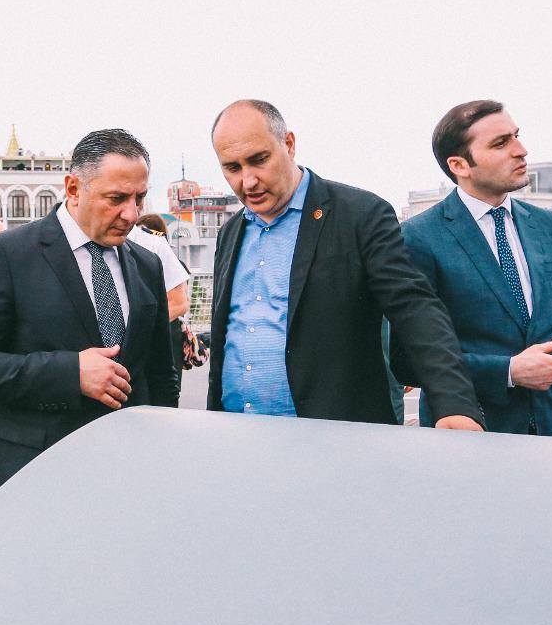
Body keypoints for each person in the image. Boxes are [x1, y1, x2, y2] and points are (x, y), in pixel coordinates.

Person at [207, 99, 483, 429]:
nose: (248, 181)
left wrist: (454, 403)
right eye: (232, 168)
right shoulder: (231, 231)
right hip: (236, 433)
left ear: (289, 144)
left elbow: (415, 309)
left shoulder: (360, 214)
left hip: (332, 438)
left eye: (259, 160)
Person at [0, 129, 178, 510]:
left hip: (126, 480)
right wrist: (71, 373)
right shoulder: (7, 254)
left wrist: (163, 452)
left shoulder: (147, 264)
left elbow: (159, 374)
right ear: (73, 189)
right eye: (116, 199)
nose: (132, 214)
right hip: (31, 481)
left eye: (139, 198)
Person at [399, 100, 552, 436]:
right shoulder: (418, 237)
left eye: (516, 136)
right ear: (459, 165)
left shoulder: (551, 226)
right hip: (471, 429)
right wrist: (508, 371)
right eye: (500, 143)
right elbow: (408, 356)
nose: (521, 150)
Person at [132, 212, 196, 388]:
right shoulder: (171, 258)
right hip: (169, 332)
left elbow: (181, 303)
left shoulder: (155, 249)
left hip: (163, 335)